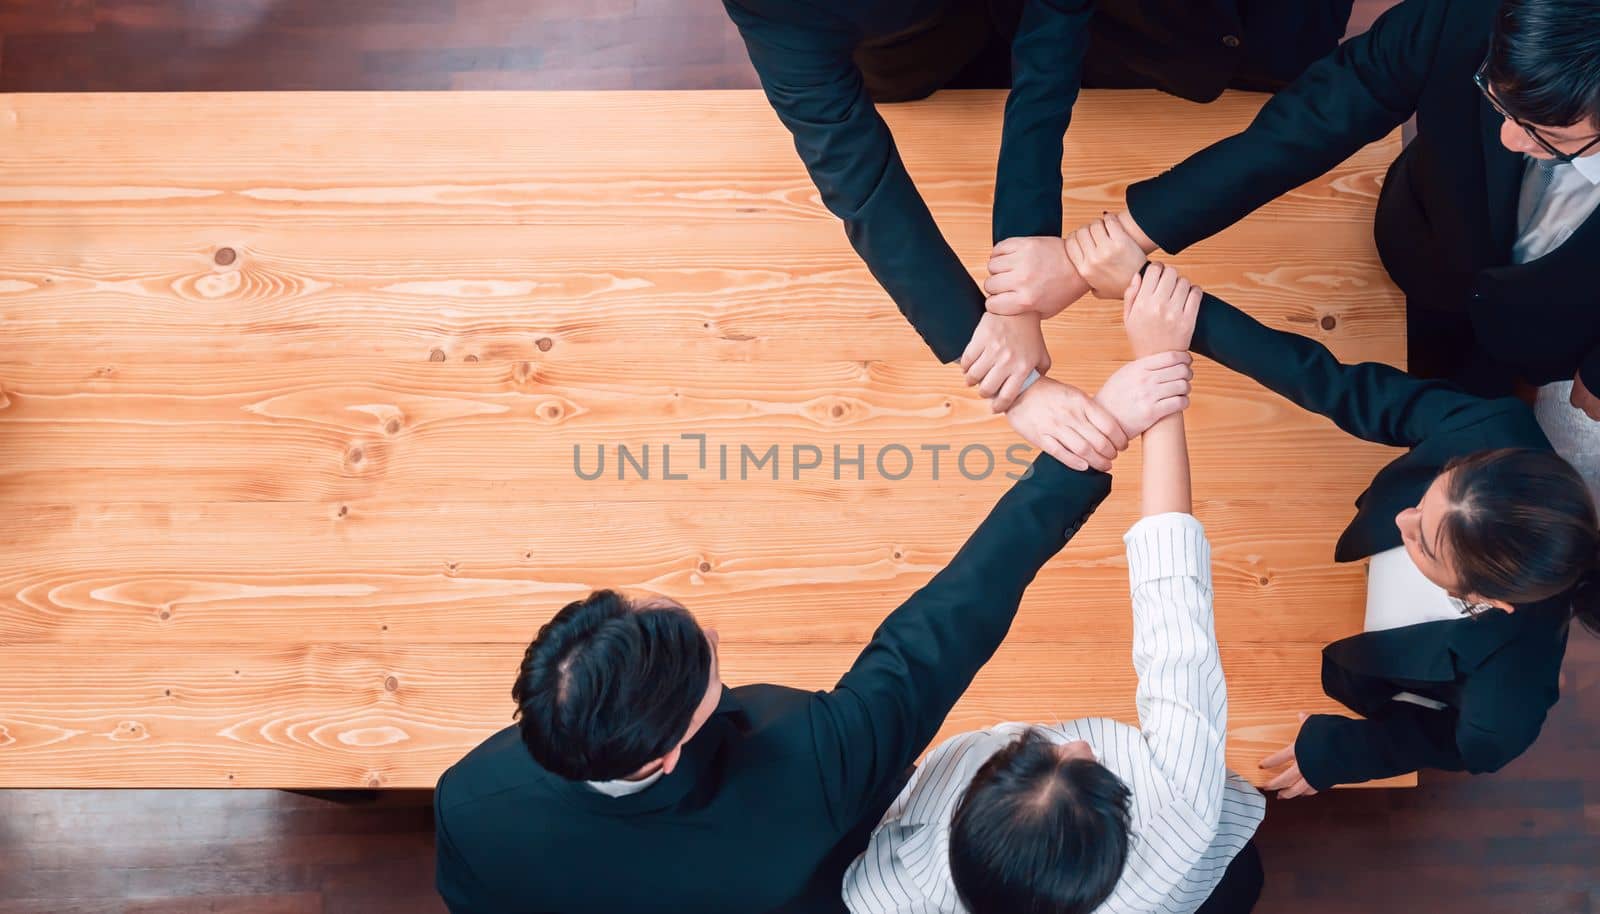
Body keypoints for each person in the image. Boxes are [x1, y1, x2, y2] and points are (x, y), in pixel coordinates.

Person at [431, 353, 1194, 914]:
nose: (717, 630)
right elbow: (943, 629)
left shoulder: (466, 801)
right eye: (712, 675)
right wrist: (1103, 432)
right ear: (664, 757)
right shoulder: (808, 770)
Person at [984, 0, 1600, 487]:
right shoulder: (1481, 12)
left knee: (1471, 409)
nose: (1508, 139)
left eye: (1544, 135)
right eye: (1501, 105)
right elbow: (1326, 109)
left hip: (1545, 338)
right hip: (1424, 242)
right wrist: (1118, 239)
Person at [1068, 235, 1600, 796]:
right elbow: (1337, 386)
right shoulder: (1492, 429)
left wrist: (1350, 754)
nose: (1403, 522)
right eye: (1430, 496)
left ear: (1490, 600)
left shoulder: (1509, 691)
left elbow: (1470, 747)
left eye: (1425, 542)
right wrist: (1184, 315)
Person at [721, 0, 1352, 468]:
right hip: (916, 48)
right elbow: (859, 179)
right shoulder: (776, 10)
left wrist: (1023, 295)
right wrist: (1008, 363)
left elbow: (1051, 44)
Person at [841, 263, 1267, 914]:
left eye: (1031, 753)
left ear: (961, 825)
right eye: (1090, 768)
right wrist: (1160, 373)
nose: (1077, 742)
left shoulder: (889, 889)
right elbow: (1172, 603)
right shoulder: (1179, 805)